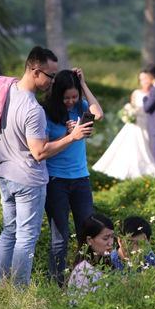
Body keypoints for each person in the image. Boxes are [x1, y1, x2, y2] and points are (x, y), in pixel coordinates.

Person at [0, 46, 93, 287]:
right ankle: (18, 290)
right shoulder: (34, 110)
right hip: (27, 179)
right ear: (35, 71)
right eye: (50, 75)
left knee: (8, 232)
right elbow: (39, 152)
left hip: (4, 173)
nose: (52, 81)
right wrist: (72, 137)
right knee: (25, 237)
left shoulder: (4, 89)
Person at [42, 68, 104, 286]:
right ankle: (57, 284)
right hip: (56, 180)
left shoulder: (81, 107)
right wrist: (69, 135)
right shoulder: (46, 112)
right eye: (66, 97)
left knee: (87, 233)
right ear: (57, 95)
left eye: (74, 96)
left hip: (81, 179)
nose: (70, 101)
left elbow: (98, 114)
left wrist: (83, 85)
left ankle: (86, 281)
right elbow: (44, 148)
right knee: (60, 238)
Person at [92, 72, 155, 179]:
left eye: (145, 79)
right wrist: (129, 114)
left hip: (147, 123)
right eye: (141, 79)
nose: (144, 81)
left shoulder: (154, 93)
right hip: (135, 124)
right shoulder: (136, 93)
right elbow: (132, 106)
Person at [68, 213, 115, 296]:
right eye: (105, 238)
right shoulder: (83, 271)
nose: (111, 243)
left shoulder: (108, 260)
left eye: (112, 237)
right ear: (89, 240)